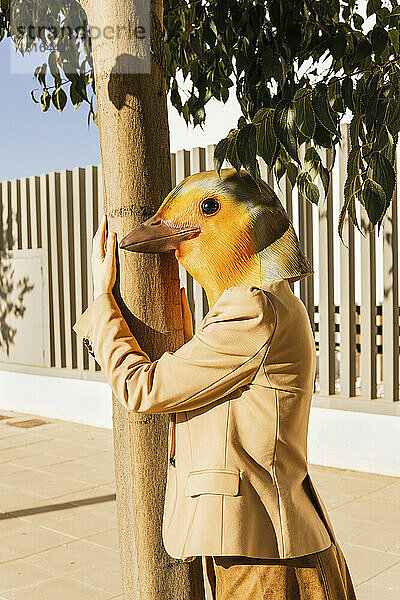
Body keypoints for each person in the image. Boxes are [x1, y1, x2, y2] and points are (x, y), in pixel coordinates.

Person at [73, 169, 357, 599]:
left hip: (264, 555)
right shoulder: (275, 304)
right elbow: (219, 390)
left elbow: (141, 388)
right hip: (256, 541)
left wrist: (102, 300)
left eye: (209, 209)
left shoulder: (252, 308)